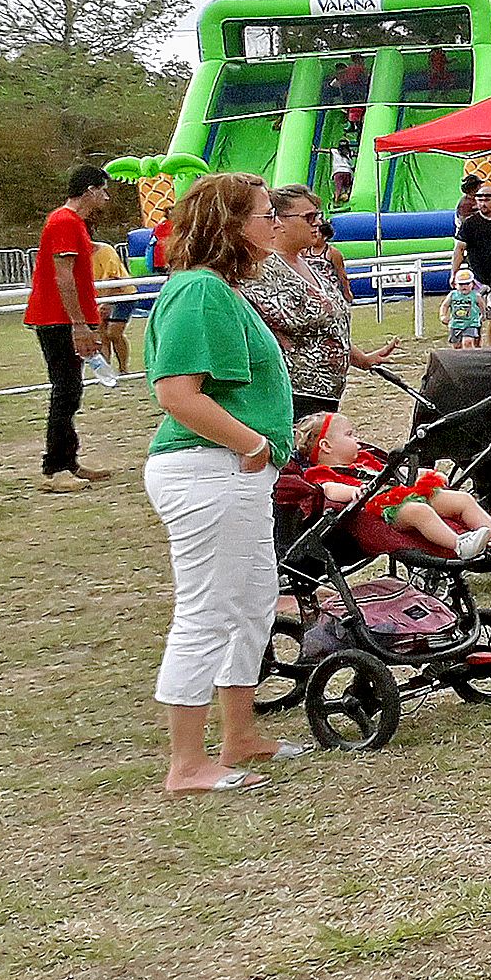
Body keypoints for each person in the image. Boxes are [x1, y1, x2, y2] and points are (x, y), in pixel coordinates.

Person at [140, 172, 295, 793]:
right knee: (206, 610)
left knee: (252, 601)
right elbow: (178, 393)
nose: (274, 226)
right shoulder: (200, 291)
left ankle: (241, 734)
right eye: (264, 215)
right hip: (211, 470)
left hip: (232, 472)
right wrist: (253, 443)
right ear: (230, 226)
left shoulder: (219, 291)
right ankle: (187, 762)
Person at [241, 186, 392, 420]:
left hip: (325, 397)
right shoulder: (259, 272)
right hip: (288, 397)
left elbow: (328, 327)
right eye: (309, 217)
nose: (317, 224)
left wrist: (362, 359)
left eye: (318, 216)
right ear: (278, 220)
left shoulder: (313, 266)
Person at [290, 410, 491, 561]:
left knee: (461, 499)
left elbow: (397, 473)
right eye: (349, 435)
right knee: (419, 511)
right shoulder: (320, 472)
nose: (357, 440)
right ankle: (459, 544)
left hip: (403, 492)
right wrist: (355, 492)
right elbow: (329, 489)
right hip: (384, 509)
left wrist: (422, 474)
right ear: (326, 446)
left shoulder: (366, 461)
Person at [25, 165, 115, 493]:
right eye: (103, 191)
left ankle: (69, 460)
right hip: (56, 319)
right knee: (65, 391)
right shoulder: (64, 222)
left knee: (72, 390)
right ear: (89, 190)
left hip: (62, 317)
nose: (106, 198)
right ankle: (55, 467)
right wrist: (79, 323)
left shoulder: (73, 223)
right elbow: (63, 276)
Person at [449, 184, 491, 348]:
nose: (483, 203)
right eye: (479, 199)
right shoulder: (470, 224)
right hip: (476, 278)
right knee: (473, 317)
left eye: (487, 199)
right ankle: (476, 349)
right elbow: (459, 249)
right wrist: (455, 273)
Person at [91, 236, 138, 380]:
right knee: (102, 334)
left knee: (113, 333)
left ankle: (123, 368)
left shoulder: (105, 250)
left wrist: (106, 303)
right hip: (100, 297)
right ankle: (106, 371)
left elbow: (113, 278)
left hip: (122, 295)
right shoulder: (78, 255)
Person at [445, 270, 487, 348]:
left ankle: (470, 358)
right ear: (455, 285)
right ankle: (459, 359)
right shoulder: (452, 295)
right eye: (461, 284)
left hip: (471, 323)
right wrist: (443, 316)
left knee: (467, 342)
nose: (464, 287)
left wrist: (483, 314)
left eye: (467, 284)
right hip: (456, 324)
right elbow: (445, 306)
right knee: (457, 346)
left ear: (473, 284)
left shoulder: (475, 295)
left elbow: (482, 305)